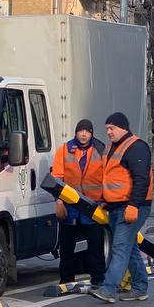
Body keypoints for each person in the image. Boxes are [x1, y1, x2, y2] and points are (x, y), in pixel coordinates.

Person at [90, 112, 153, 303]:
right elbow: (113, 178)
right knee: (130, 248)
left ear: (123, 128)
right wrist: (105, 200)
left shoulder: (136, 147)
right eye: (107, 129)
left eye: (112, 128)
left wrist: (134, 205)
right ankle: (140, 288)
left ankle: (108, 289)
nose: (108, 132)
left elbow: (141, 179)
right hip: (117, 206)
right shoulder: (112, 148)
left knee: (119, 247)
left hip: (133, 206)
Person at [51, 118, 107, 290]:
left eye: (87, 131)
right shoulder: (64, 150)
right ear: (76, 133)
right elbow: (57, 178)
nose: (83, 134)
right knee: (67, 246)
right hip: (70, 205)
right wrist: (59, 200)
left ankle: (98, 280)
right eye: (80, 131)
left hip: (93, 206)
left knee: (95, 246)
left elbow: (108, 177)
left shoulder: (101, 149)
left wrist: (105, 200)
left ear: (92, 133)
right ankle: (66, 280)